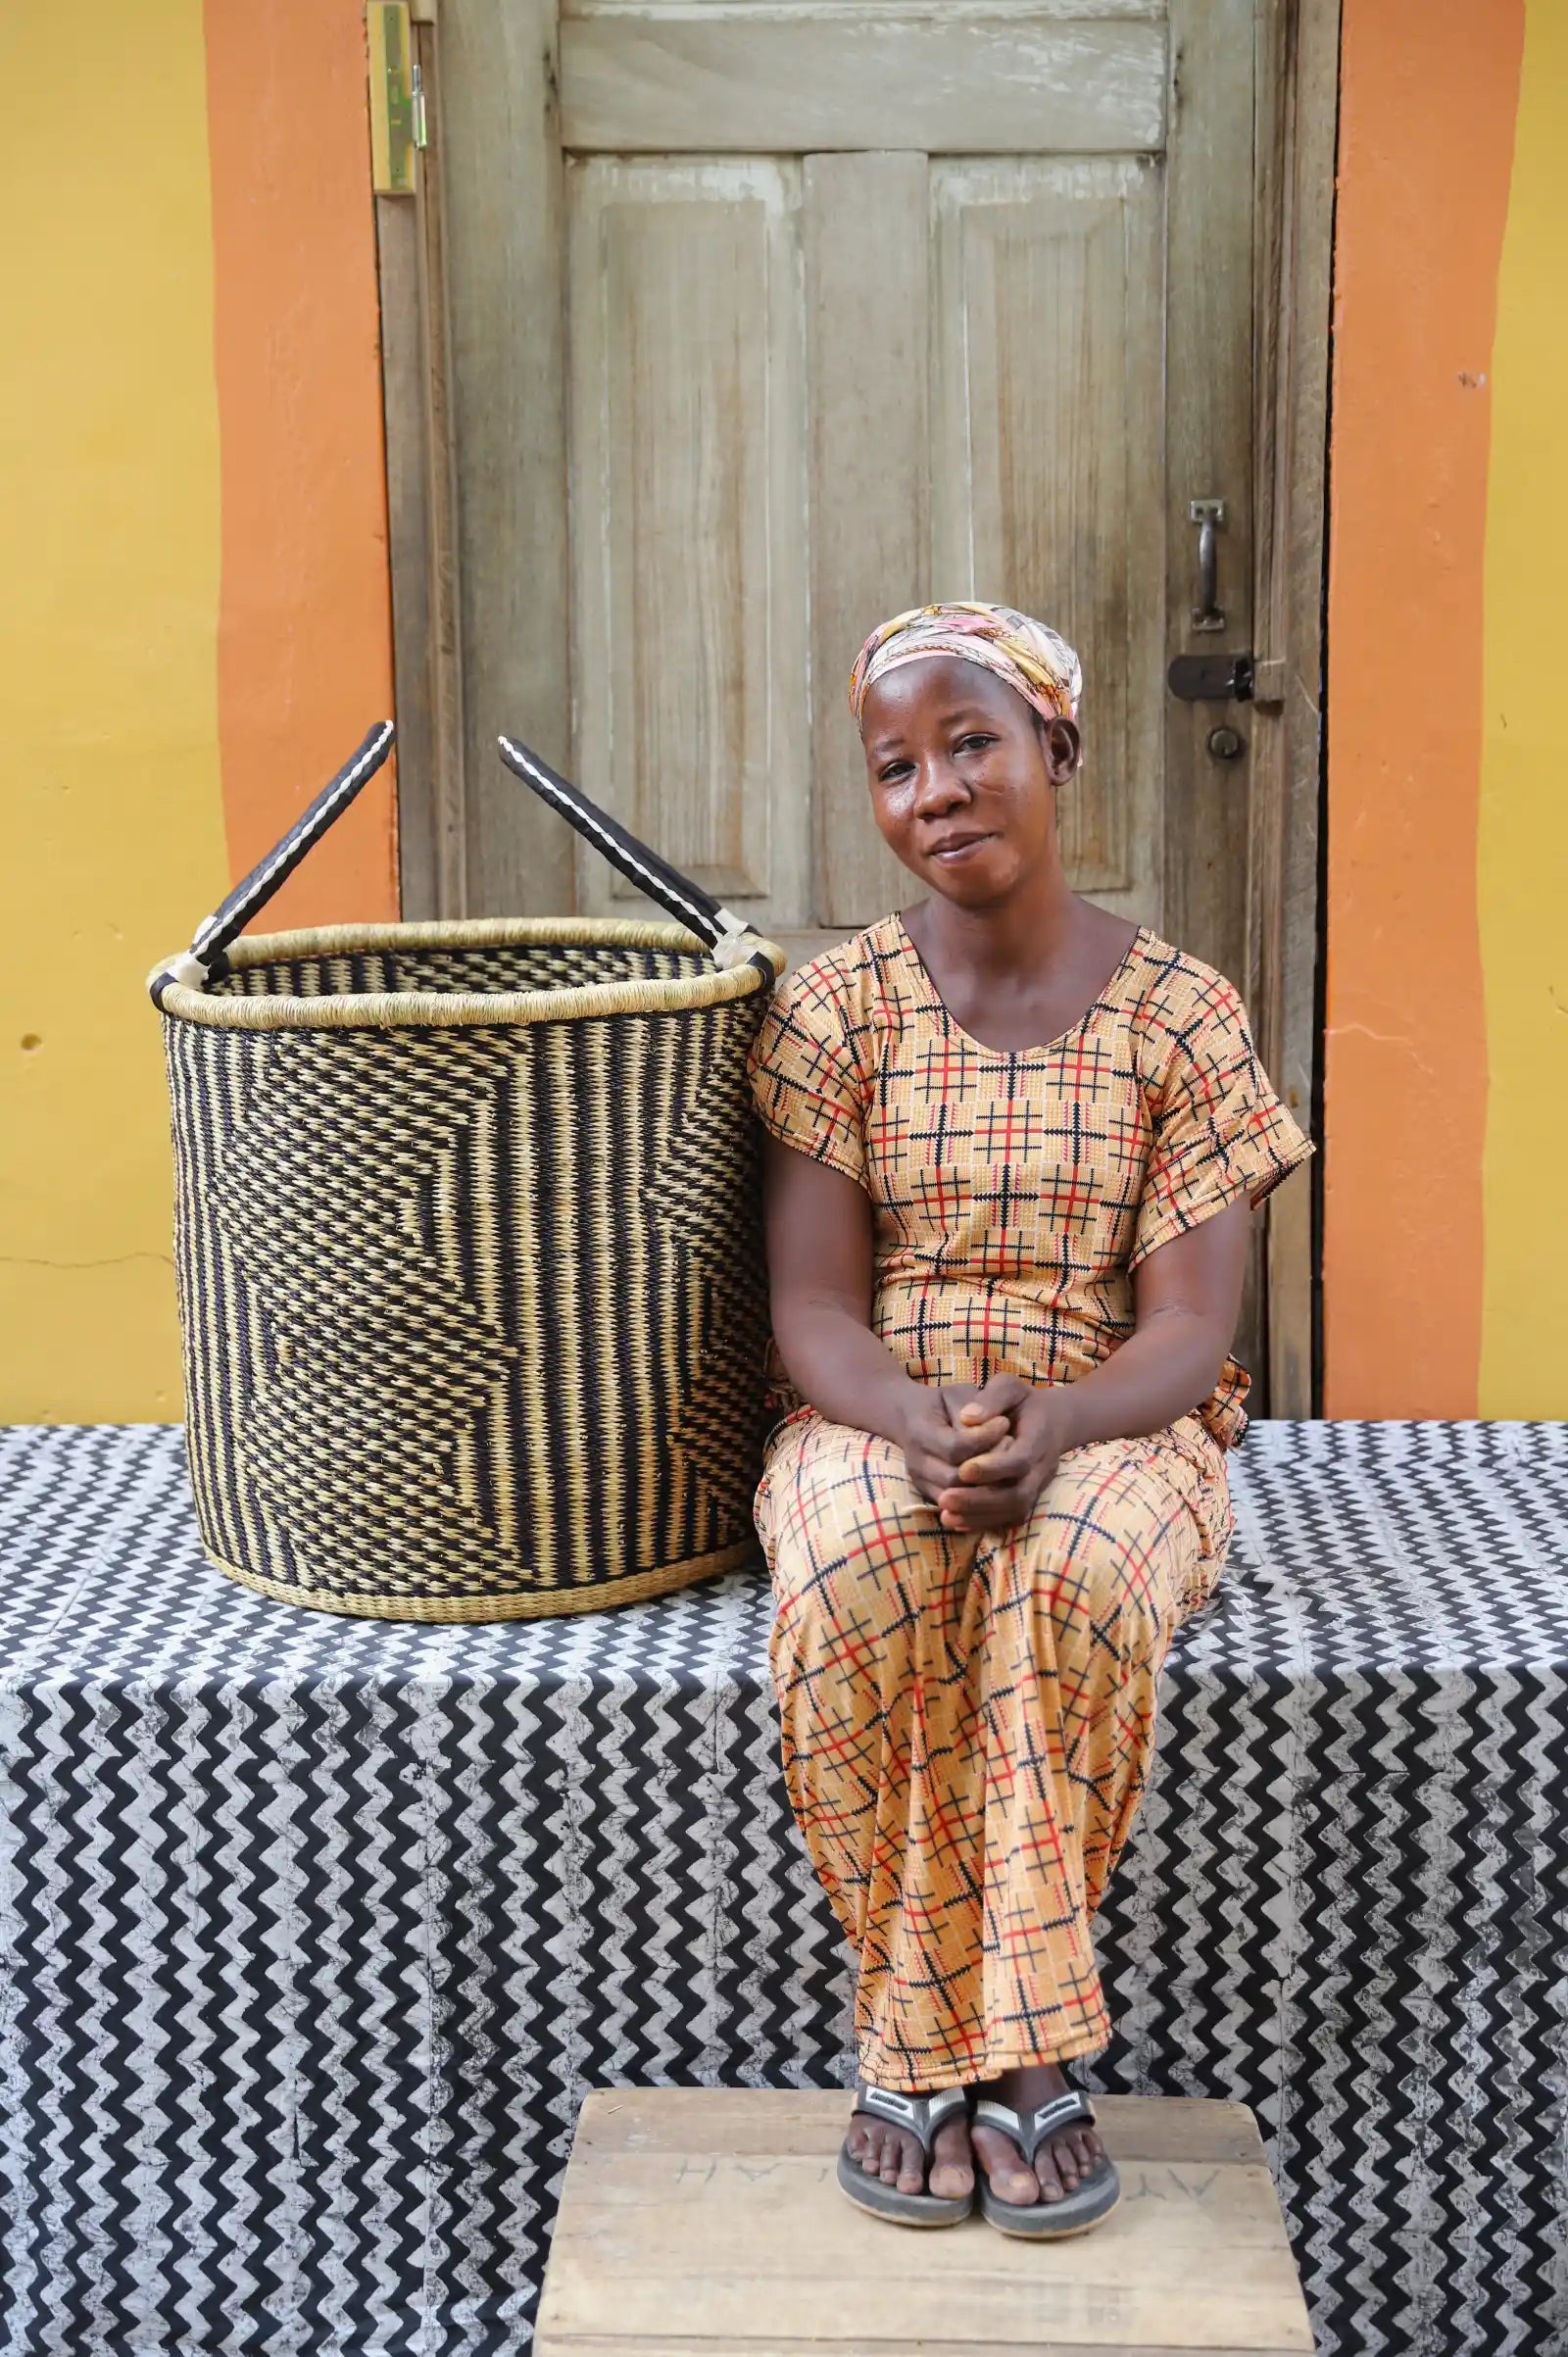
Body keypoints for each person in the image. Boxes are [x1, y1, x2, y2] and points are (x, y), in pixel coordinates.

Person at [748, 601, 1313, 2238]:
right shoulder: (838, 1006)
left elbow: (1193, 1330)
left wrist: (1055, 1421)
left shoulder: (1180, 1014)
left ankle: (982, 2054)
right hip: (882, 1406)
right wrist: (917, 1426)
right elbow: (812, 1311)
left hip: (1119, 1415)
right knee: (857, 1573)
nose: (936, 788)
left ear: (1058, 750)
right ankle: (951, 2041)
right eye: (895, 764)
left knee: (1065, 1584)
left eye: (973, 741)